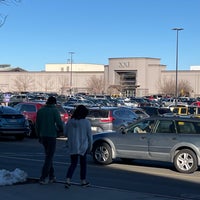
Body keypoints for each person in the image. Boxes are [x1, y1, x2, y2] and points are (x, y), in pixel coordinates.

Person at [36, 96, 64, 185]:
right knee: (49, 157)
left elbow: (37, 124)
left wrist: (38, 135)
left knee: (49, 156)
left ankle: (52, 176)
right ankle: (43, 177)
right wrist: (61, 130)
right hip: (51, 136)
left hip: (43, 136)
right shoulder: (54, 111)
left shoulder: (40, 111)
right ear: (54, 103)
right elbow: (59, 123)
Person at [64, 105, 93, 188]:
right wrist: (90, 147)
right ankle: (83, 181)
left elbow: (65, 133)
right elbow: (89, 136)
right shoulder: (86, 122)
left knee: (73, 163)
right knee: (83, 164)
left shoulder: (70, 121)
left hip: (73, 145)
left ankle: (68, 180)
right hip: (83, 146)